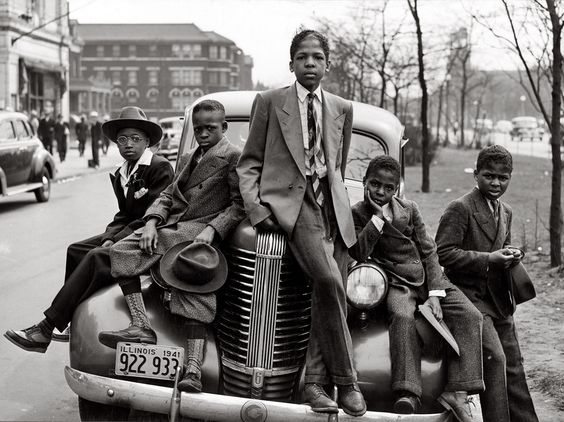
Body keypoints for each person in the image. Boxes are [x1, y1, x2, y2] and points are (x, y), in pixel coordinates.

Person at [236, 29, 366, 417]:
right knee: (329, 281)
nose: (310, 63)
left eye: (317, 57)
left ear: (328, 64)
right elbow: (249, 163)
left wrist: (336, 201)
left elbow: (338, 165)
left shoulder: (342, 107)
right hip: (294, 204)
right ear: (291, 63)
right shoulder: (270, 101)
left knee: (327, 293)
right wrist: (259, 211)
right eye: (302, 57)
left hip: (334, 210)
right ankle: (348, 381)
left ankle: (314, 384)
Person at [97, 99, 245, 392]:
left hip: (200, 232)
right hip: (173, 227)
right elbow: (168, 194)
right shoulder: (189, 156)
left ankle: (194, 370)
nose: (203, 133)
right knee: (121, 250)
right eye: (198, 128)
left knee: (194, 288)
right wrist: (152, 222)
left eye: (210, 128)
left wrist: (213, 230)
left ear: (224, 127)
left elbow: (239, 205)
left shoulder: (233, 157)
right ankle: (141, 325)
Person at [4, 106, 174, 352]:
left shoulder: (159, 167)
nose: (128, 144)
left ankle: (45, 329)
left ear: (147, 142)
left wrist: (114, 239)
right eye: (122, 139)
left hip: (149, 238)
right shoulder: (123, 171)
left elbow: (154, 215)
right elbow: (124, 214)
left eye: (135, 139)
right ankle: (71, 319)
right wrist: (109, 236)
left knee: (96, 257)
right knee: (75, 250)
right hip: (128, 232)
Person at [349, 155, 484, 422]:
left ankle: (458, 390)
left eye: (388, 187)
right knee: (401, 316)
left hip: (426, 279)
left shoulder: (409, 208)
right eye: (375, 184)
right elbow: (359, 253)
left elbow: (429, 251)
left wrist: (435, 293)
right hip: (396, 282)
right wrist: (377, 219)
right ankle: (408, 391)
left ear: (396, 189)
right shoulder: (357, 213)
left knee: (471, 316)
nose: (381, 192)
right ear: (365, 182)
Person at [435, 145, 538, 422]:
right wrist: (488, 259)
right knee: (495, 359)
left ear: (510, 178)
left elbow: (502, 244)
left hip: (497, 299)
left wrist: (512, 253)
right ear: (476, 174)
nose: (495, 183)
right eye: (489, 176)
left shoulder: (506, 211)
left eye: (503, 178)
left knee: (513, 363)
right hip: (468, 298)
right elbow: (443, 253)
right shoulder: (460, 208)